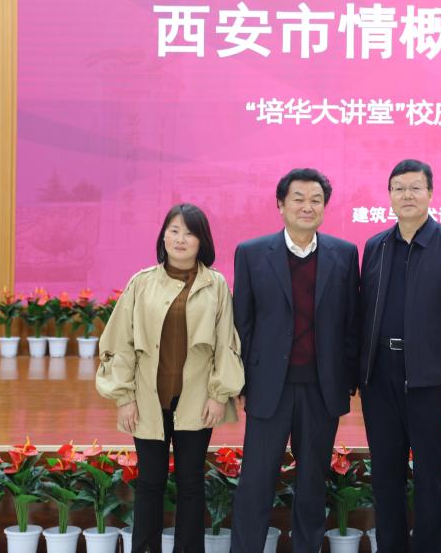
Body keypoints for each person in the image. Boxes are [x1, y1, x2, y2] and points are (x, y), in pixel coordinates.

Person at [96, 203, 244, 553]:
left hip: (197, 401)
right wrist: (124, 398)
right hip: (148, 400)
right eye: (174, 231)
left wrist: (218, 395)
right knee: (150, 482)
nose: (180, 239)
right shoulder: (141, 282)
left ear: (202, 241)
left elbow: (227, 343)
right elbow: (120, 342)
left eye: (189, 233)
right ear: (163, 236)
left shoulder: (216, 285)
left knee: (192, 482)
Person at [230, 168, 360, 553]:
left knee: (312, 483)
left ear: (324, 207)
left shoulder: (344, 254)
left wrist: (348, 380)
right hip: (269, 387)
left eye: (316, 200)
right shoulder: (252, 253)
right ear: (280, 205)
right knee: (256, 482)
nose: (307, 206)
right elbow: (243, 323)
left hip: (322, 388)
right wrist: (241, 381)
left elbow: (351, 322)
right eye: (298, 199)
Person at [359, 159, 441, 553]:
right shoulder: (376, 246)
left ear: (430, 193)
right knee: (385, 474)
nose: (407, 195)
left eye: (415, 188)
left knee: (429, 476)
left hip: (429, 379)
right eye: (399, 188)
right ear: (389, 195)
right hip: (381, 378)